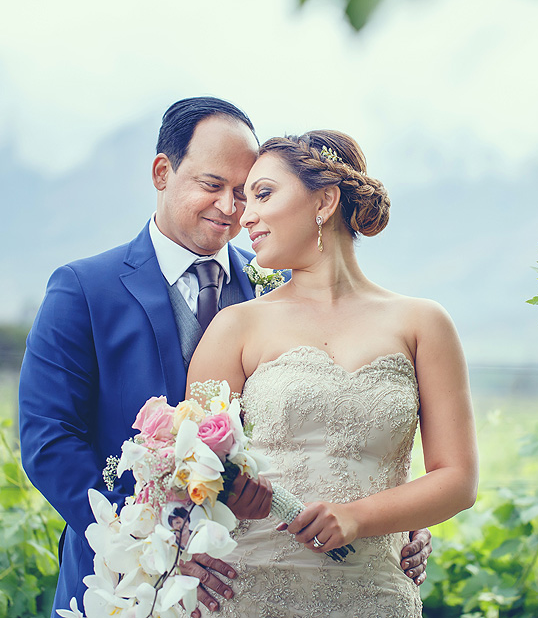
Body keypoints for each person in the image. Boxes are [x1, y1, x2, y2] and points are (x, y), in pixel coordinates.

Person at [18, 98, 432, 618]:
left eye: (244, 191)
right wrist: (158, 543)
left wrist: (396, 519)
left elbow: (330, 429)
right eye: (212, 185)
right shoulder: (84, 289)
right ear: (162, 172)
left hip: (251, 581)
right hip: (121, 581)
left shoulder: (282, 285)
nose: (232, 208)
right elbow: (48, 441)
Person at [186, 130, 479, 617]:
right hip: (248, 591)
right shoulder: (234, 327)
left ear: (324, 201)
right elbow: (190, 467)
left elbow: (458, 479)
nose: (244, 215)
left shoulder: (423, 323)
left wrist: (359, 517)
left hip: (374, 595)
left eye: (263, 194)